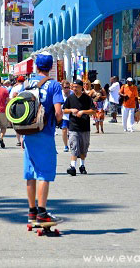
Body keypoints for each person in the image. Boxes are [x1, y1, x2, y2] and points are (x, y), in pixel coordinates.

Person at [23, 53, 64, 226]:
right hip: (45, 132)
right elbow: (58, 112)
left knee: (30, 173)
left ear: (36, 66)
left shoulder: (27, 83)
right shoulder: (54, 85)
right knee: (44, 173)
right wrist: (60, 123)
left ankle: (31, 212)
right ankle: (42, 212)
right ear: (51, 67)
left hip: (28, 132)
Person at [63, 79, 95, 175]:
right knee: (74, 146)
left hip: (85, 127)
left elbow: (93, 111)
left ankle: (82, 165)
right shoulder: (70, 98)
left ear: (82, 87)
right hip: (73, 126)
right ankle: (73, 167)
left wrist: (83, 111)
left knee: (83, 147)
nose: (74, 89)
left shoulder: (87, 98)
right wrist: (71, 110)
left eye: (76, 87)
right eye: (73, 87)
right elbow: (64, 110)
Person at [11, 76, 26, 146]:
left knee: (17, 124)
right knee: (25, 123)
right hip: (25, 107)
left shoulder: (14, 88)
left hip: (16, 107)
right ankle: (24, 138)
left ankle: (19, 140)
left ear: (17, 81)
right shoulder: (26, 87)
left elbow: (11, 98)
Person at [60, 80, 71, 152]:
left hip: (72, 115)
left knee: (71, 131)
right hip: (64, 116)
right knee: (64, 130)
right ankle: (66, 145)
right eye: (65, 87)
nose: (66, 89)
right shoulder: (59, 94)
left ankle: (72, 144)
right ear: (62, 87)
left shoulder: (73, 93)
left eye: (68, 87)